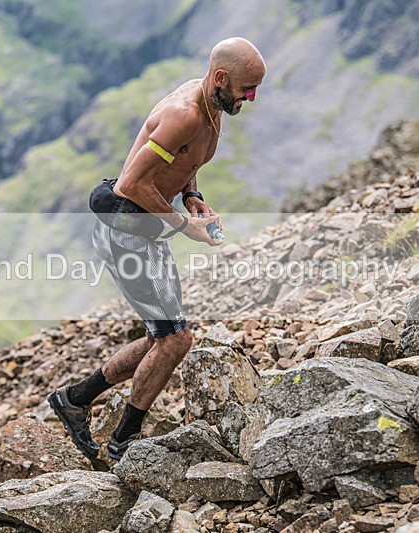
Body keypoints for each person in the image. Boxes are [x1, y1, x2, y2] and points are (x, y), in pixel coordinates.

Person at [48, 37, 266, 461]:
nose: (252, 97)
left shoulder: (212, 106)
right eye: (247, 88)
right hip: (125, 231)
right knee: (176, 339)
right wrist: (186, 227)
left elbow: (185, 164)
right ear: (221, 78)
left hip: (146, 231)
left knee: (162, 335)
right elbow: (131, 184)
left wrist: (191, 197)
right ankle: (123, 443)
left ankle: (74, 400)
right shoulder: (185, 114)